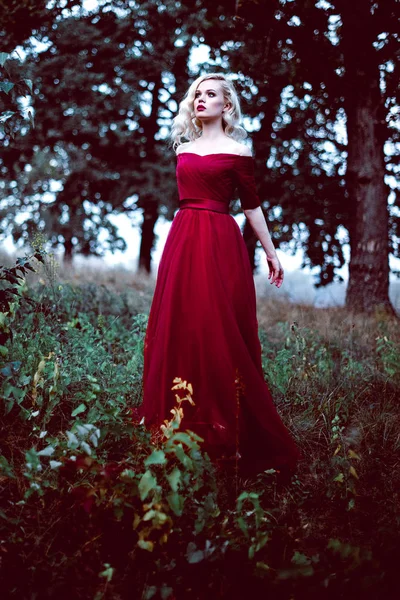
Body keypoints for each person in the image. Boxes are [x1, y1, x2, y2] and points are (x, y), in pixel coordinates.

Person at [137, 72, 301, 477]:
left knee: (218, 328)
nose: (200, 98)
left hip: (220, 240)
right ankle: (172, 422)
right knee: (180, 324)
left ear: (226, 105)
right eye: (197, 93)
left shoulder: (238, 152)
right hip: (184, 238)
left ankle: (226, 427)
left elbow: (251, 206)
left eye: (210, 94)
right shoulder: (184, 149)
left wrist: (271, 252)